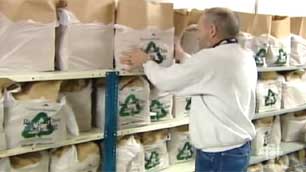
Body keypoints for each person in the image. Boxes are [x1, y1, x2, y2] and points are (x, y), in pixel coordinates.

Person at [121, 7, 257, 172]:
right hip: (237, 150)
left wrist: (146, 61)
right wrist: (183, 56)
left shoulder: (211, 58)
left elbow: (167, 81)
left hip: (219, 157)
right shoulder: (244, 56)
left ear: (212, 30)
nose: (198, 35)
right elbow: (211, 77)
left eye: (200, 29)